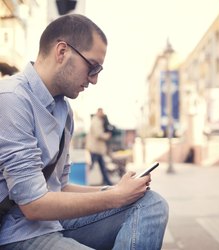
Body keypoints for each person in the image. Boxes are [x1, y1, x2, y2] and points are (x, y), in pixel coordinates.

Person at [0, 14, 168, 249]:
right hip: (16, 234)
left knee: (151, 203)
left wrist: (115, 189)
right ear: (62, 52)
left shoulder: (63, 109)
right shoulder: (11, 99)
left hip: (54, 223)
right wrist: (115, 197)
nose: (95, 79)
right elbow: (34, 204)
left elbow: (61, 187)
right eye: (92, 66)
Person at [86, 108, 113, 185]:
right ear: (98, 112)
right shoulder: (96, 121)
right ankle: (83, 179)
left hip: (97, 149)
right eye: (101, 112)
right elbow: (98, 134)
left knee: (102, 167)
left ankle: (107, 182)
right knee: (92, 166)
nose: (103, 114)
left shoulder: (98, 121)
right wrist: (107, 136)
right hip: (95, 148)